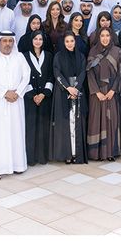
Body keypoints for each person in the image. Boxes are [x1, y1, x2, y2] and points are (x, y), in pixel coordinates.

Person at [0, 31, 30, 180]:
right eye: (5, 41)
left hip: (16, 101)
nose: (8, 44)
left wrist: (18, 92)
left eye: (10, 41)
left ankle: (17, 165)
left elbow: (26, 76)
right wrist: (4, 93)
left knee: (15, 133)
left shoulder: (19, 57)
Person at [86, 28, 121, 161]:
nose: (105, 38)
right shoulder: (93, 51)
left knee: (111, 120)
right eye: (102, 35)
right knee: (96, 121)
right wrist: (97, 92)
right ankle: (97, 153)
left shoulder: (117, 51)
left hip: (111, 93)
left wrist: (113, 90)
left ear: (111, 37)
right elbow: (89, 73)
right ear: (99, 37)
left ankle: (110, 152)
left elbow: (120, 73)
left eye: (107, 35)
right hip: (96, 93)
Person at [51, 32, 88, 164]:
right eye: (67, 41)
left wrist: (76, 88)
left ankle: (77, 153)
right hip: (63, 92)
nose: (70, 44)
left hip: (78, 91)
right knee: (65, 123)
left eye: (72, 41)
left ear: (75, 42)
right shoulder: (58, 56)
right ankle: (67, 154)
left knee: (77, 121)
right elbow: (57, 72)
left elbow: (83, 72)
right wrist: (68, 88)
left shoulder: (81, 56)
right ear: (63, 43)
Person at [22, 30, 54, 166]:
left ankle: (42, 157)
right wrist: (33, 95)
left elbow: (51, 75)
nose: (38, 41)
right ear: (31, 40)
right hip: (30, 97)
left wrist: (43, 93)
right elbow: (23, 76)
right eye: (35, 39)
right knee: (31, 127)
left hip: (44, 97)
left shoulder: (49, 55)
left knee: (43, 127)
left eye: (40, 39)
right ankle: (31, 158)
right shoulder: (24, 56)